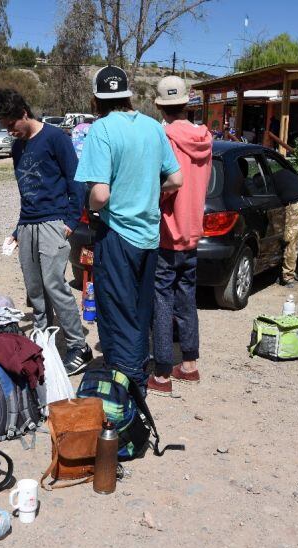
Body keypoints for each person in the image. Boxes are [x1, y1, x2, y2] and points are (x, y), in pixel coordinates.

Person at [74, 65, 183, 393]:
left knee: (117, 312)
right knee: (139, 307)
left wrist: (93, 206)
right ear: (127, 96)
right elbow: (176, 179)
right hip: (149, 236)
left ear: (96, 99)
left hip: (117, 235)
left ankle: (128, 383)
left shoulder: (101, 130)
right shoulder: (153, 127)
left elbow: (100, 194)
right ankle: (136, 373)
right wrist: (147, 190)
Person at [0, 88, 92, 375]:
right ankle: (44, 341)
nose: (10, 132)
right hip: (29, 225)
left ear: (24, 113)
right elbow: (27, 193)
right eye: (5, 128)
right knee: (35, 289)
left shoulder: (56, 138)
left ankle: (78, 346)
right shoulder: (17, 147)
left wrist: (70, 222)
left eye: (11, 125)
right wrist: (17, 230)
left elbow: (76, 182)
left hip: (54, 223)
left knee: (54, 285)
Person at [146, 76, 212, 397]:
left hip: (167, 232)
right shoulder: (206, 137)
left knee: (162, 299)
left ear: (159, 106)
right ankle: (189, 365)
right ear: (187, 103)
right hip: (193, 231)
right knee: (186, 295)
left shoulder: (164, 137)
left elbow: (167, 183)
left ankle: (160, 373)